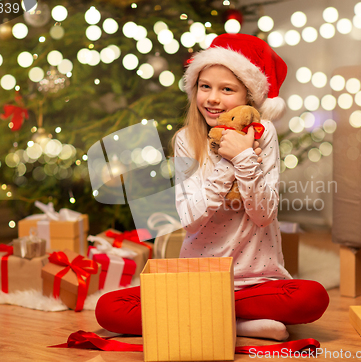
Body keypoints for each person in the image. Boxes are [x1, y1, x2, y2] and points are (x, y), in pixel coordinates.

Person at [95, 33, 329, 341]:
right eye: (205, 86)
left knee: (311, 297)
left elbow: (263, 214)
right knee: (109, 308)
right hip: (199, 278)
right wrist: (226, 162)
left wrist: (245, 156)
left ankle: (209, 318)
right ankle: (241, 325)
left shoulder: (264, 134)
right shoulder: (185, 140)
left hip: (257, 280)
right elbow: (190, 219)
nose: (213, 98)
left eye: (227, 89)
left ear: (248, 97)